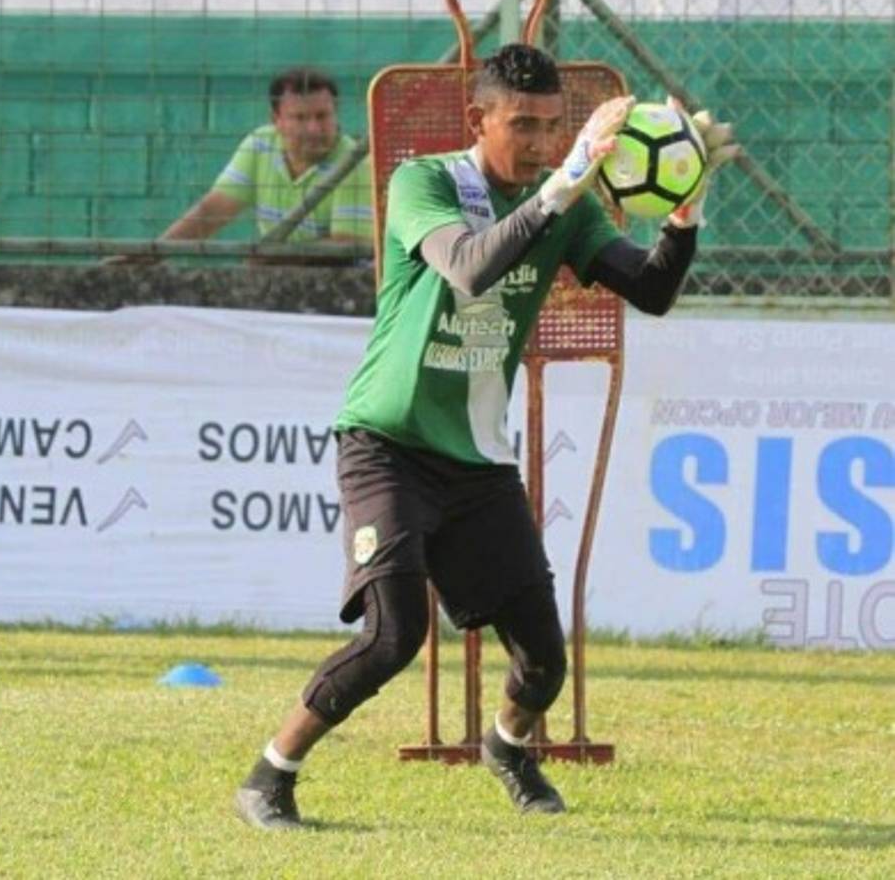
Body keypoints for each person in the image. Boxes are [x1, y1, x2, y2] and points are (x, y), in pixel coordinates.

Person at [234, 43, 738, 828]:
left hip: (476, 461)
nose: (540, 143)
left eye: (552, 127)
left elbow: (653, 290)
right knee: (394, 634)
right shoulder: (423, 181)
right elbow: (468, 268)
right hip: (386, 443)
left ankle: (504, 747)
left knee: (543, 663)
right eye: (523, 125)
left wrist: (687, 209)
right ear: (480, 118)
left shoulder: (560, 207)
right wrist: (568, 181)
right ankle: (270, 775)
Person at [108, 67, 372, 265]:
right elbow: (213, 210)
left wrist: (270, 259)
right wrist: (154, 255)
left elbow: (346, 247)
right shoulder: (260, 144)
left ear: (336, 112)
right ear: (276, 120)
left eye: (322, 116)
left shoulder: (355, 161)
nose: (314, 128)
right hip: (278, 275)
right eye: (300, 118)